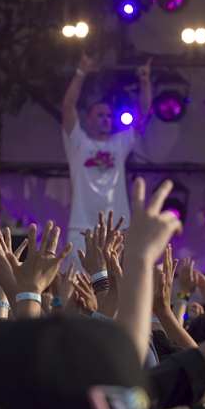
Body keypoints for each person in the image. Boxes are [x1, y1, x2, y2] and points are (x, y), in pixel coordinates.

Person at [61, 52, 153, 261]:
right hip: (82, 227)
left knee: (113, 281)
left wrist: (145, 81)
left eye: (109, 116)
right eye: (100, 115)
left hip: (116, 228)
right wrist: (81, 72)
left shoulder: (120, 143)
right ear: (89, 119)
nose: (106, 119)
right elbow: (68, 106)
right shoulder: (78, 143)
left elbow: (144, 112)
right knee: (77, 281)